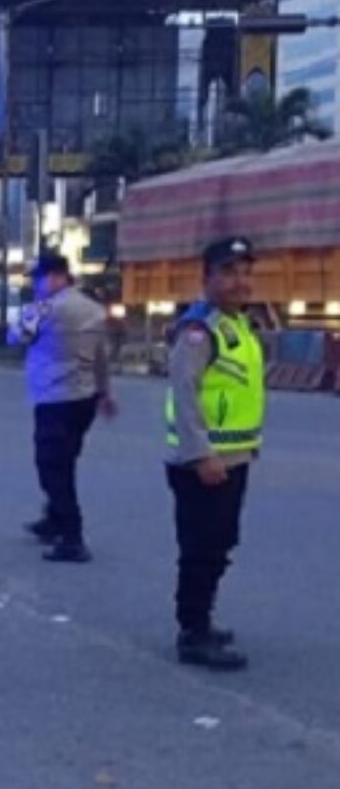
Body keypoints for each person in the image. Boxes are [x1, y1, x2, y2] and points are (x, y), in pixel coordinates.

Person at [166, 237, 264, 670]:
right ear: (206, 279)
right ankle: (193, 632)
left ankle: (201, 618)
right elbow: (185, 395)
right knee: (202, 547)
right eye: (228, 272)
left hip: (233, 459)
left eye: (245, 272)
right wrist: (201, 455)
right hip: (204, 463)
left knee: (221, 543)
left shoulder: (237, 325)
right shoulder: (198, 330)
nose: (239, 282)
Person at [19, 253, 116, 563]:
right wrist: (104, 391)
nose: (35, 284)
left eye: (38, 278)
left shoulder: (44, 309)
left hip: (54, 398)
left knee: (52, 467)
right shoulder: (94, 309)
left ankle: (72, 537)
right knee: (65, 461)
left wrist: (30, 312)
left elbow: (15, 336)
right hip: (84, 398)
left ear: (55, 277)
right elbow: (102, 355)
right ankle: (54, 519)